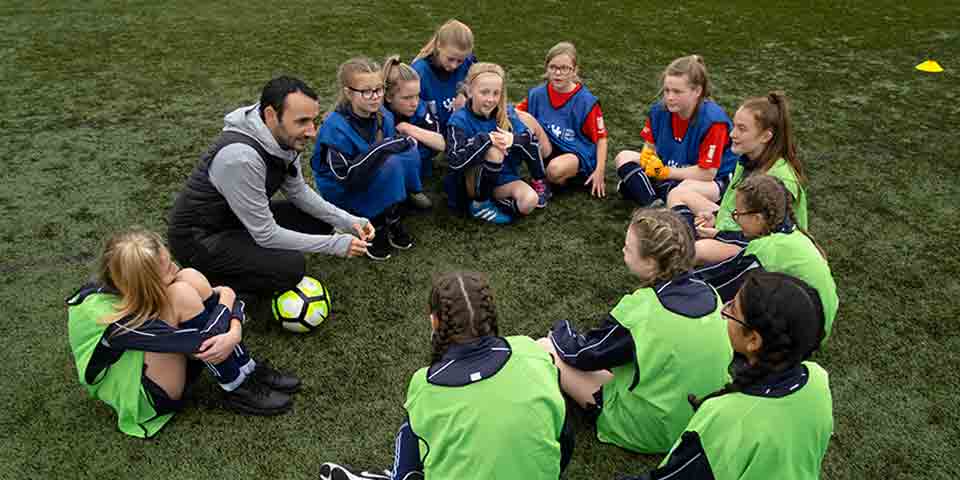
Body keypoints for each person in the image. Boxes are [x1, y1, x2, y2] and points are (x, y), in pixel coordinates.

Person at [320, 272, 573, 480]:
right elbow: (564, 437)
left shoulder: (425, 385)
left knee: (410, 447)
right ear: (491, 312)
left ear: (434, 321)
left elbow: (407, 471)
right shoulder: (530, 351)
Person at [67, 229, 302, 438]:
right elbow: (204, 342)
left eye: (169, 261)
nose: (174, 267)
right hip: (146, 396)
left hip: (163, 352)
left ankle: (247, 370)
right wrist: (232, 305)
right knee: (180, 294)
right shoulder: (118, 324)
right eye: (167, 269)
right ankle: (237, 387)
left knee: (190, 276)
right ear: (146, 285)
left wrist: (230, 309)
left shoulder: (126, 284)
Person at [539, 208, 732, 454]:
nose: (622, 250)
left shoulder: (642, 310)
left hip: (656, 430)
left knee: (546, 349)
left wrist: (560, 331)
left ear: (651, 262)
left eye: (628, 247)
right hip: (704, 418)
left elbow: (585, 355)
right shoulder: (712, 294)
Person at [167, 76, 373, 302]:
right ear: (271, 116)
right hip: (199, 239)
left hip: (235, 220)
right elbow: (265, 234)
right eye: (302, 121)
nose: (312, 132)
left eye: (313, 121)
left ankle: (243, 259)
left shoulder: (282, 138)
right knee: (290, 269)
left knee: (321, 221)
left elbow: (299, 192)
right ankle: (210, 286)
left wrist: (349, 222)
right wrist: (335, 245)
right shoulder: (241, 158)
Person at [616, 271, 833, 479]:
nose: (723, 311)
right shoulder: (818, 380)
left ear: (754, 341)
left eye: (732, 310)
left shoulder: (727, 416)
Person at [694, 175, 838, 340]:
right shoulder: (791, 235)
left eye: (737, 214)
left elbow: (721, 281)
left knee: (724, 311)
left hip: (803, 339)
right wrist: (720, 234)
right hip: (818, 327)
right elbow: (744, 242)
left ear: (757, 218)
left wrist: (680, 281)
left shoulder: (766, 250)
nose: (736, 218)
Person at [311, 57, 424, 261]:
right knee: (389, 160)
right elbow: (346, 178)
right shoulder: (334, 128)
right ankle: (374, 224)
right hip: (343, 190)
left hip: (371, 178)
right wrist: (382, 148)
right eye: (366, 91)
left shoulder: (384, 116)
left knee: (405, 154)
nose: (375, 97)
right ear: (348, 92)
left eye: (379, 89)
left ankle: (392, 214)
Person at [676, 92, 808, 264]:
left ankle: (689, 245)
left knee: (699, 249)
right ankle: (689, 237)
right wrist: (715, 216)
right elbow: (733, 205)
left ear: (766, 136)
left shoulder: (780, 181)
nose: (732, 134)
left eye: (742, 129)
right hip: (737, 226)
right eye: (734, 126)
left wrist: (720, 235)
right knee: (678, 193)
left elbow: (765, 241)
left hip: (760, 249)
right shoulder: (746, 159)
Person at [615, 55, 737, 209]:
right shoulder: (659, 111)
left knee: (683, 189)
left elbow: (707, 174)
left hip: (709, 180)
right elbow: (650, 148)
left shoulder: (713, 121)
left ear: (697, 91)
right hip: (673, 170)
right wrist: (648, 158)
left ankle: (646, 191)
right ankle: (654, 204)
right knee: (623, 157)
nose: (670, 97)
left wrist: (665, 172)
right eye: (666, 90)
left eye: (677, 92)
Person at [444, 62, 547, 224]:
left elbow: (530, 140)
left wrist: (513, 140)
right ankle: (480, 203)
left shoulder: (506, 112)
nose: (490, 99)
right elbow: (454, 161)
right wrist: (487, 140)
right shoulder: (458, 121)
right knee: (494, 151)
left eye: (496, 93)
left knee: (529, 201)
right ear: (470, 91)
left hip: (505, 179)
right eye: (484, 92)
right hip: (471, 183)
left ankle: (536, 183)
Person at [516, 41, 609, 201]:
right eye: (553, 67)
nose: (558, 73)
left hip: (575, 154)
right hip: (549, 148)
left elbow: (601, 139)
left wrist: (600, 171)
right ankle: (538, 178)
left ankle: (556, 178)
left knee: (554, 170)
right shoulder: (538, 94)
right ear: (547, 68)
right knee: (520, 116)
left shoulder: (586, 102)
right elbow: (516, 114)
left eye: (564, 68)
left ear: (574, 70)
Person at [382, 55, 446, 209]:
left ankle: (412, 185)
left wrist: (407, 128)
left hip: (417, 160)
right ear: (388, 97)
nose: (414, 103)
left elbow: (442, 144)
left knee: (413, 147)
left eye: (417, 95)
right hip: (387, 167)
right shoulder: (379, 114)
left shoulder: (421, 109)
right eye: (407, 97)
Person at [411, 19, 477, 132]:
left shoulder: (469, 62)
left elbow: (479, 81)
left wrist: (464, 92)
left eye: (460, 61)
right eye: (450, 59)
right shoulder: (419, 72)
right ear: (439, 46)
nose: (454, 66)